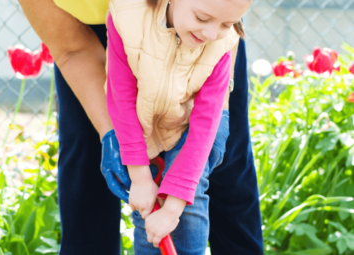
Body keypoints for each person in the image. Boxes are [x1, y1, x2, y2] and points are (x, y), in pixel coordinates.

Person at [17, 0, 263, 254]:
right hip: (120, 36)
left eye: (227, 25)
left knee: (222, 170)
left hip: (203, 51)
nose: (212, 33)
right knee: (87, 169)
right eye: (202, 20)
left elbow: (205, 126)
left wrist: (174, 206)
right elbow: (111, 86)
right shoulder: (125, 20)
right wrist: (140, 175)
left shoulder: (218, 36)